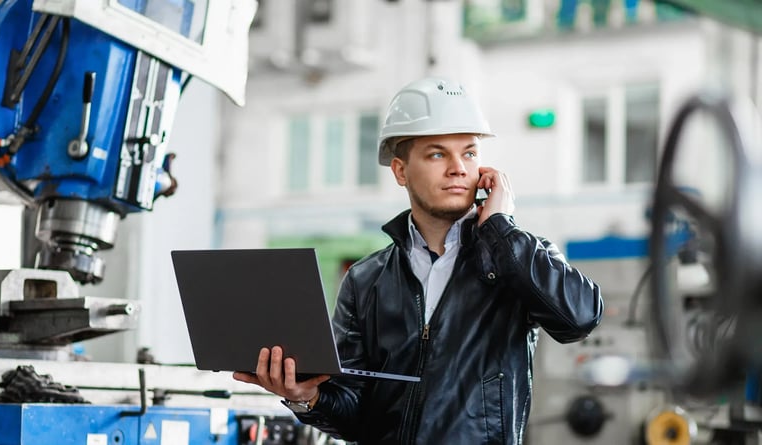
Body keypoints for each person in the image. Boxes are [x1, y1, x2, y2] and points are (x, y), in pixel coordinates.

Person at [233, 76, 603, 444]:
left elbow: (580, 317)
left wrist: (501, 228)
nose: (459, 167)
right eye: (438, 153)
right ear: (400, 171)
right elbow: (355, 413)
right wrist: (305, 398)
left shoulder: (516, 259)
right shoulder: (366, 280)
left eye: (470, 153)